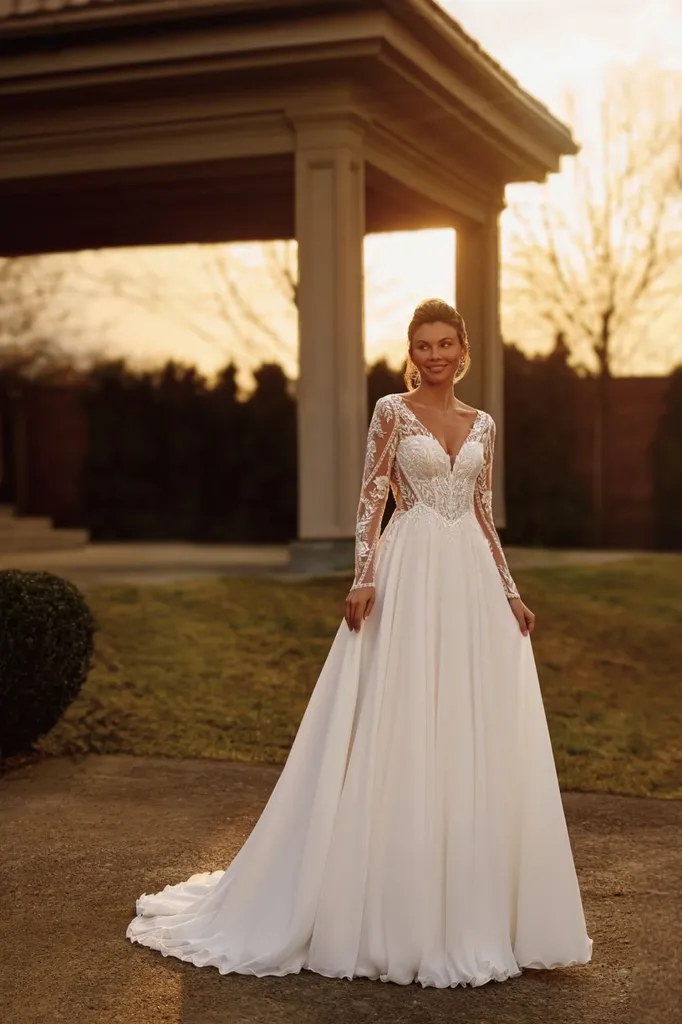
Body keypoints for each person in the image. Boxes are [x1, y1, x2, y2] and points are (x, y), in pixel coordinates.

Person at [126, 298, 593, 988]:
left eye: (445, 344)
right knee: (396, 715)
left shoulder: (483, 424)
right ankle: (380, 895)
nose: (433, 355)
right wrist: (364, 576)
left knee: (467, 723)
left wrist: (511, 591)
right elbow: (372, 499)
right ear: (414, 352)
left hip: (466, 575)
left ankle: (467, 899)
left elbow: (484, 513)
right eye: (422, 345)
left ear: (464, 351)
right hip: (407, 573)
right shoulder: (391, 412)